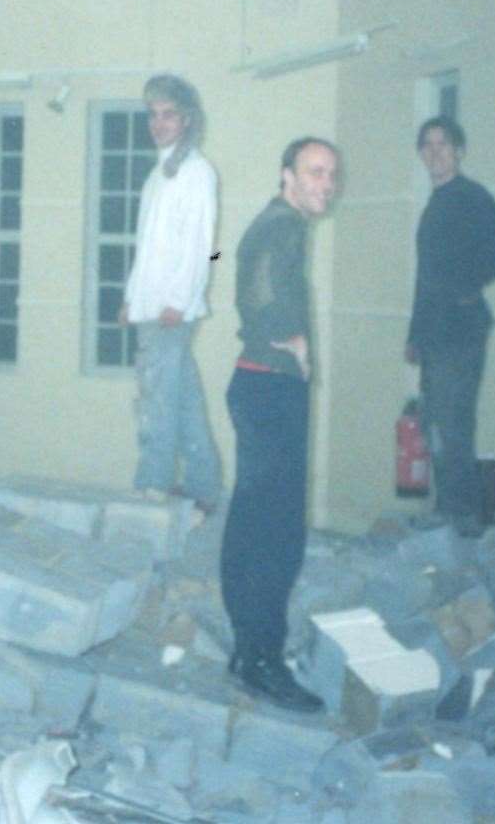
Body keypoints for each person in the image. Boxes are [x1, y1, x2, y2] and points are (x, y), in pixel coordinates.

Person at [220, 136, 339, 713]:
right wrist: (290, 335)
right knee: (277, 535)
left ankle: (249, 652)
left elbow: (247, 282)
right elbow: (261, 295)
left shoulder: (274, 222)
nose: (325, 183)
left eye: (331, 175)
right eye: (315, 172)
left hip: (258, 385)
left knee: (253, 524)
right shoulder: (283, 226)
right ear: (286, 174)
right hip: (270, 389)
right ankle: (261, 662)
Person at [404, 116, 495, 537]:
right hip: (435, 330)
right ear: (422, 154)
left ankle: (462, 518)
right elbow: (427, 276)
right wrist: (414, 335)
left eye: (443, 144)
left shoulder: (468, 195)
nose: (435, 152)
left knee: (453, 423)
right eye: (428, 146)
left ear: (459, 151)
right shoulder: (436, 204)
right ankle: (449, 510)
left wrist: (472, 282)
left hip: (462, 327)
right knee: (436, 420)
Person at [118, 74, 222, 511]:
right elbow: (150, 249)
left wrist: (178, 302)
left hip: (170, 312)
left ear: (187, 119)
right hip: (152, 309)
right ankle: (205, 490)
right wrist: (130, 299)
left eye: (168, 114)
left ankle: (151, 488)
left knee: (156, 404)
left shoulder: (196, 172)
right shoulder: (160, 173)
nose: (158, 123)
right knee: (183, 403)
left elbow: (202, 247)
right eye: (153, 115)